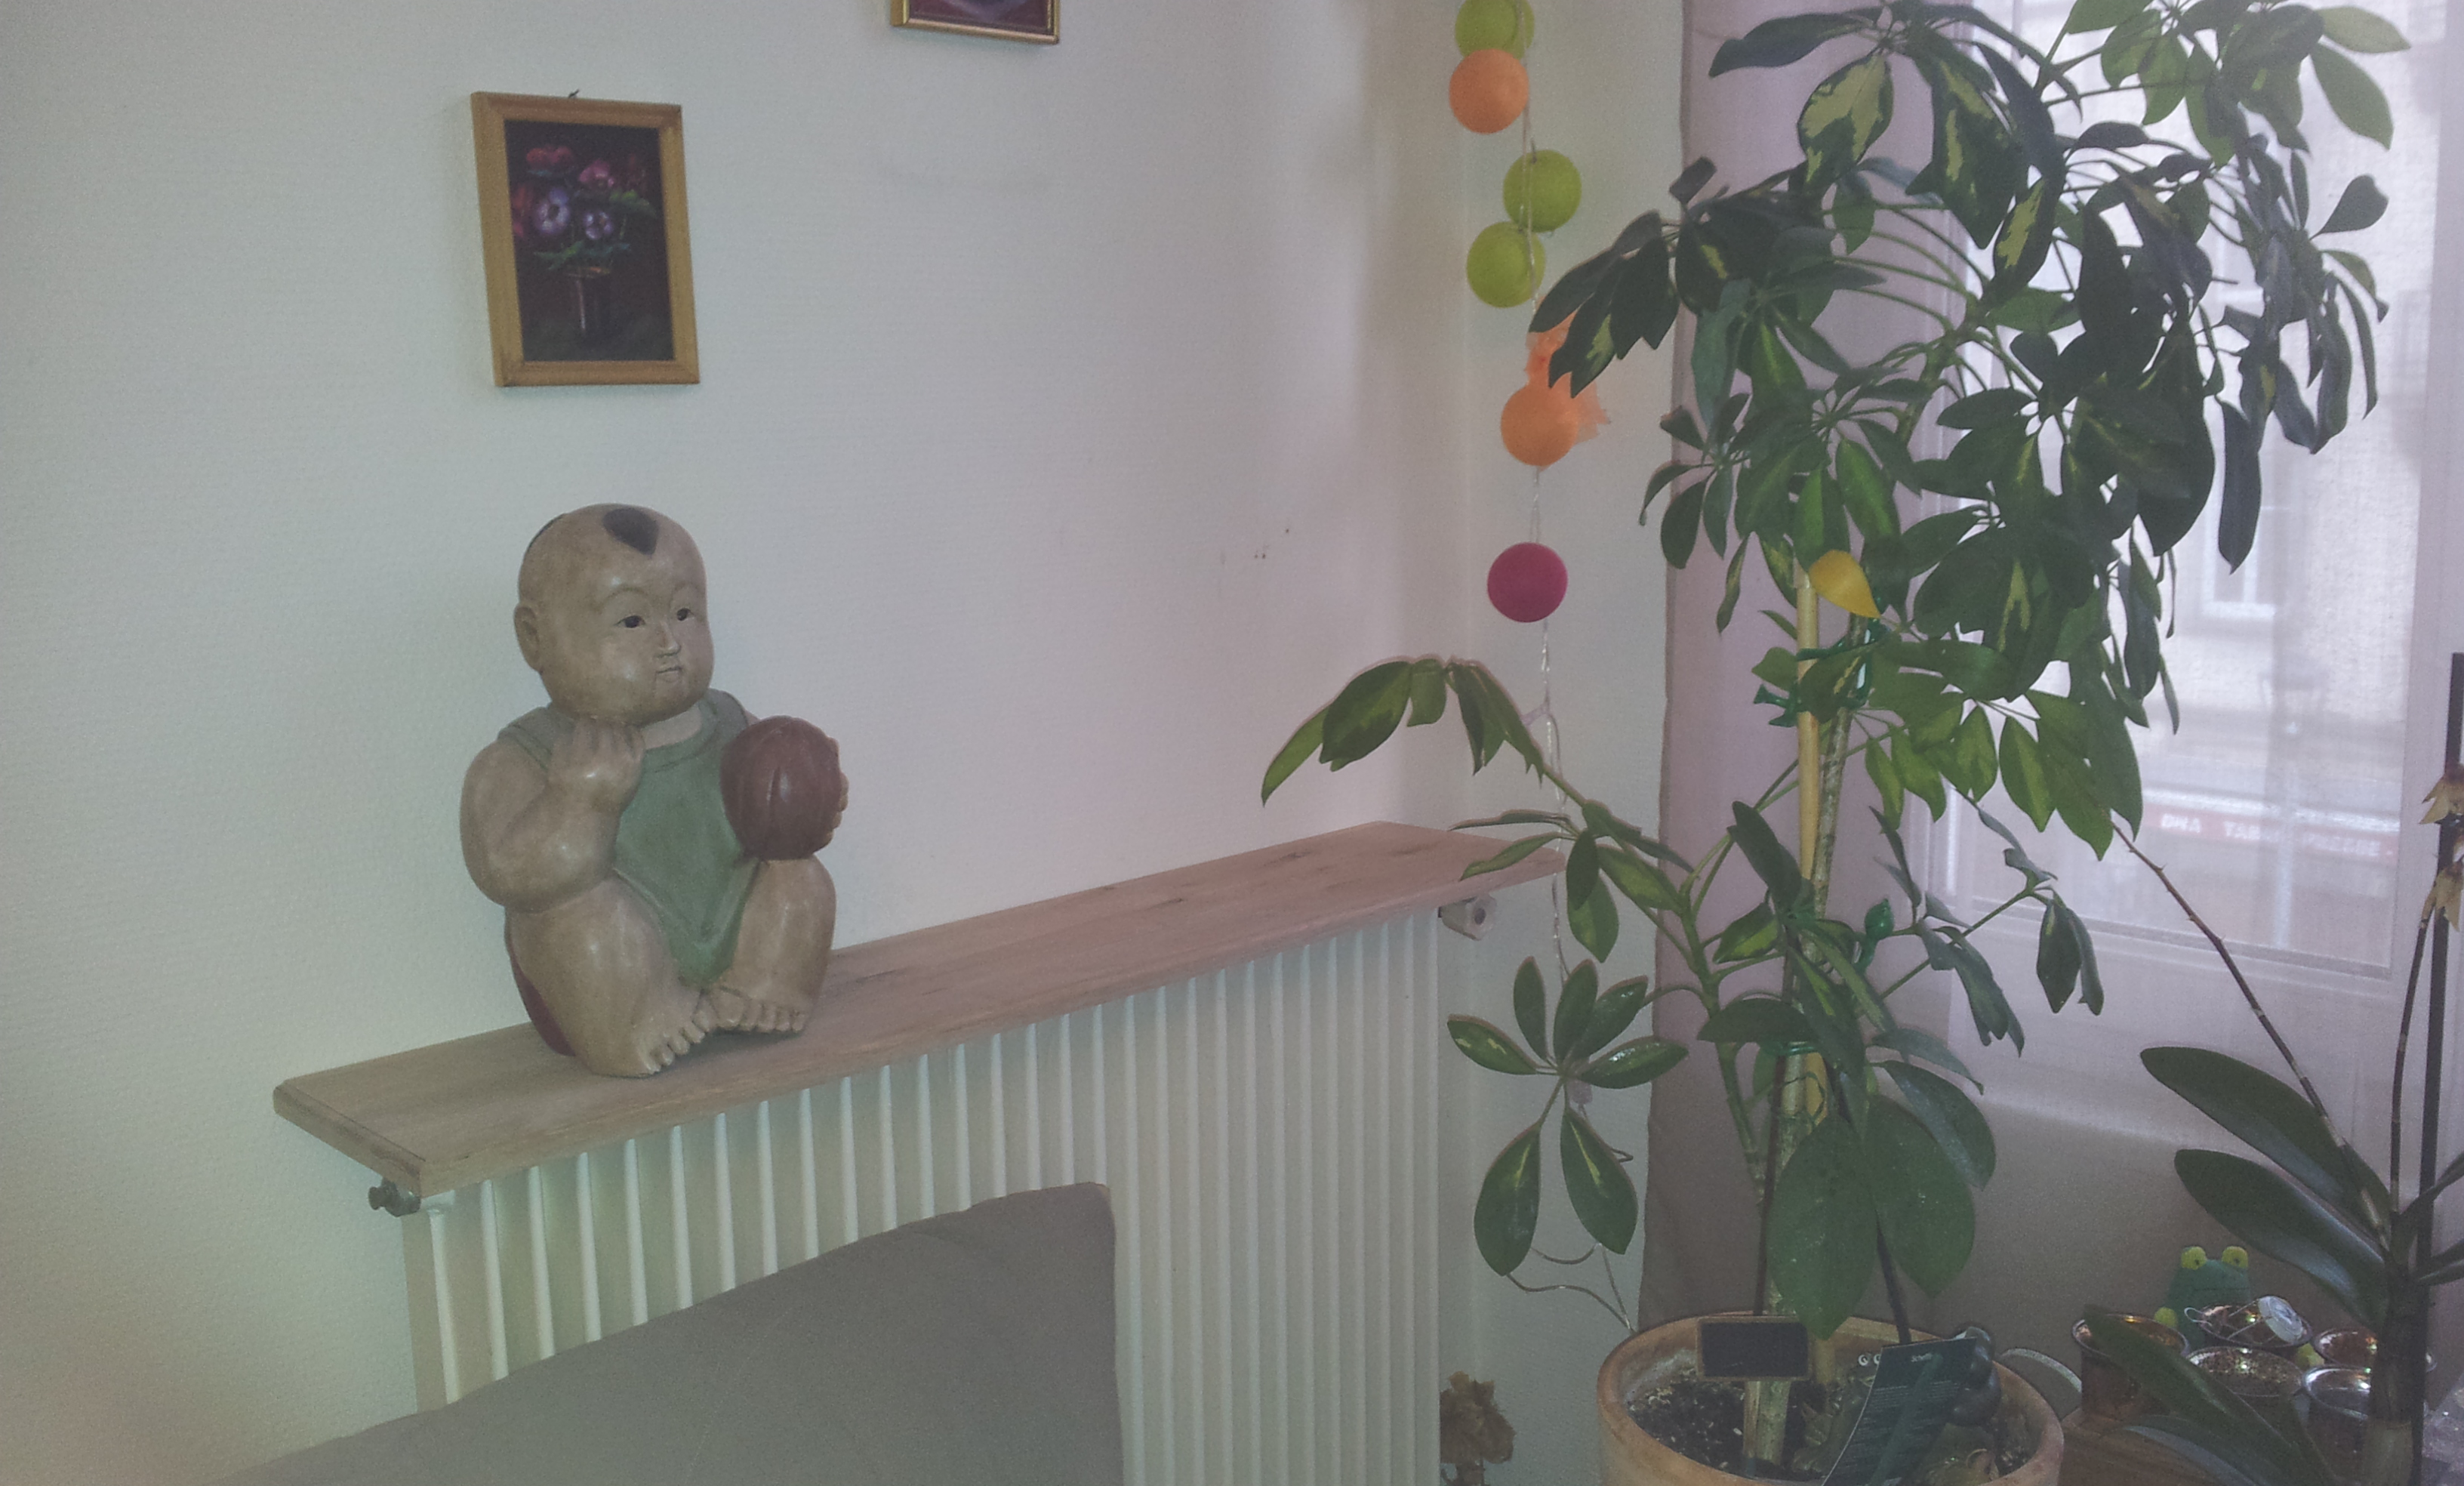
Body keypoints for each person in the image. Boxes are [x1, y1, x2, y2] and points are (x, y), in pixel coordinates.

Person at [460, 504, 843, 1076]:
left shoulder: (733, 724)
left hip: (734, 926)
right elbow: (506, 873)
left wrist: (812, 798)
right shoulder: (525, 757)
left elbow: (783, 814)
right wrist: (581, 804)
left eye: (685, 613)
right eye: (632, 622)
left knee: (801, 875)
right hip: (616, 969)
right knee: (578, 920)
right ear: (535, 638)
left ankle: (767, 984)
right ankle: (637, 1020)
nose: (669, 642)